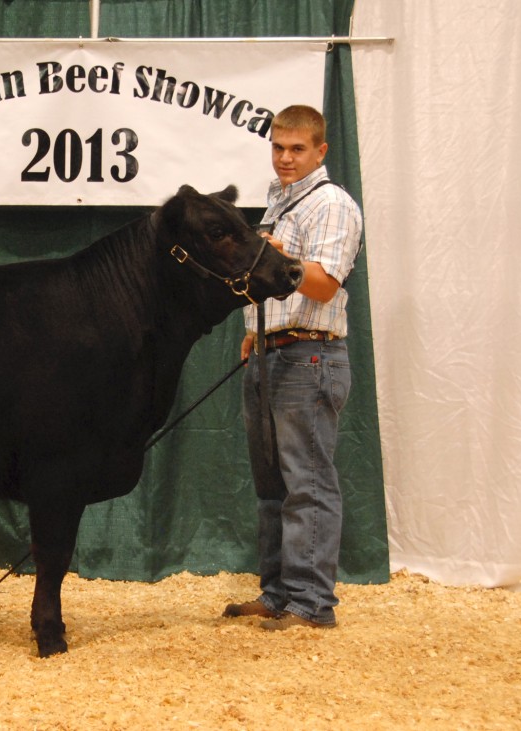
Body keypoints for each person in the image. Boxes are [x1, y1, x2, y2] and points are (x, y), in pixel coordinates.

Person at [224, 104, 363, 630]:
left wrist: (279, 259)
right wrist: (253, 332)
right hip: (271, 349)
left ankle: (312, 603)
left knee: (307, 480)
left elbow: (326, 284)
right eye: (279, 147)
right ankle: (278, 592)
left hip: (310, 355)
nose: (285, 157)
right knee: (271, 484)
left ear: (321, 151)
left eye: (297, 149)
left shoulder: (330, 204)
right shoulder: (279, 202)